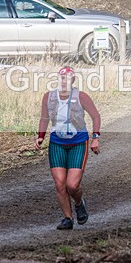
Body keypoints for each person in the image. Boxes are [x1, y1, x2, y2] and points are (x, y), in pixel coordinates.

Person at [35, 66, 101, 230]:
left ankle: (79, 203)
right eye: (61, 78)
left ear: (72, 81)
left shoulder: (81, 96)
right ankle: (67, 218)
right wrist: (40, 136)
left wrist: (95, 139)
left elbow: (95, 116)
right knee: (59, 183)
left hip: (78, 142)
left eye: (67, 79)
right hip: (57, 142)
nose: (63, 81)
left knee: (72, 185)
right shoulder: (48, 97)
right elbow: (44, 118)